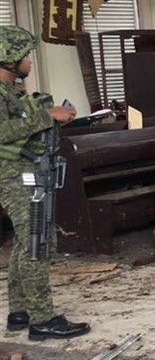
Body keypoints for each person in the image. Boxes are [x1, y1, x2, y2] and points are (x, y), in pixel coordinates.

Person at [0, 26, 90, 340]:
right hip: (12, 175)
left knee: (27, 243)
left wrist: (46, 111)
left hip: (24, 170)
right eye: (25, 55)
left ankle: (20, 311)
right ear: (10, 57)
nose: (29, 61)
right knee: (36, 242)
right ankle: (43, 320)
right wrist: (47, 115)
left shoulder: (10, 91)